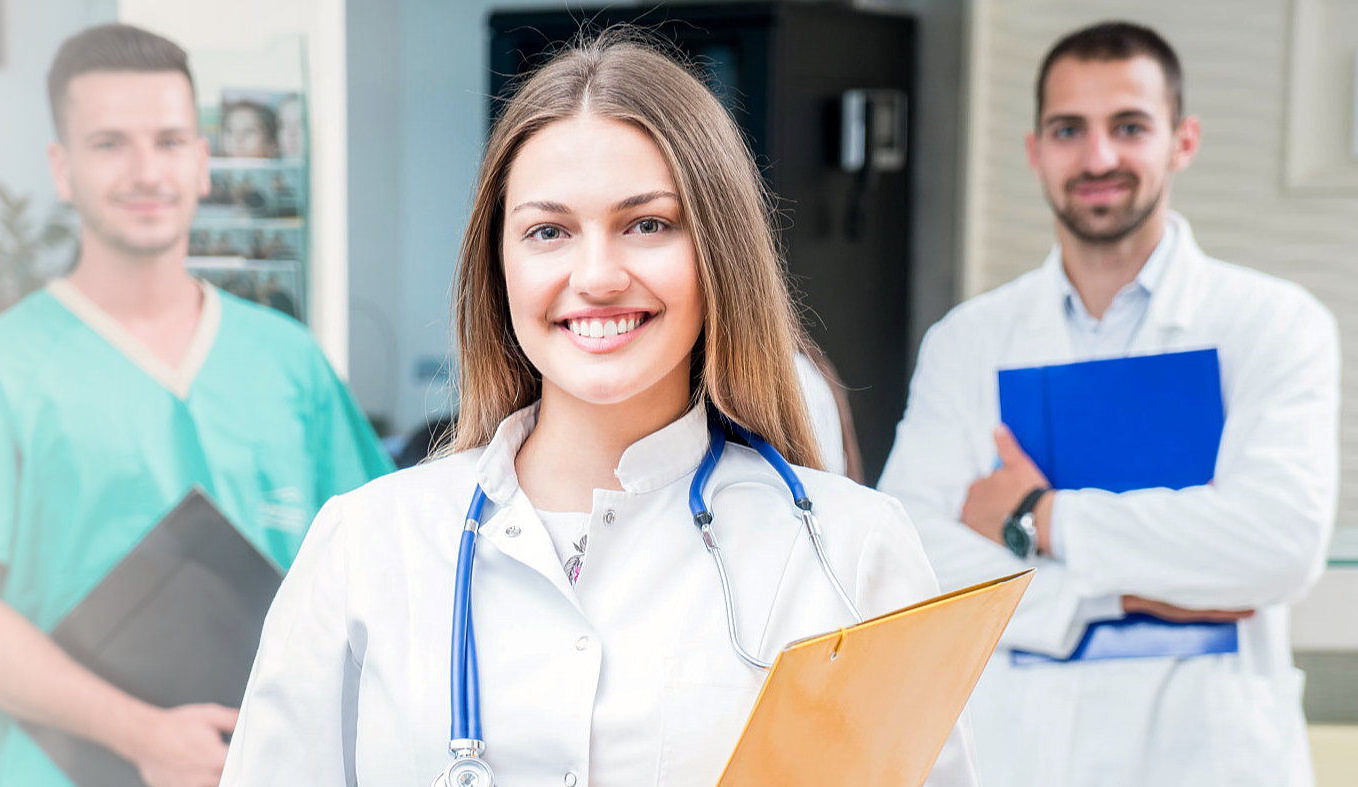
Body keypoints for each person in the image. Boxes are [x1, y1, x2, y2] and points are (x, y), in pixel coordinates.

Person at [218, 33, 975, 786]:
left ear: (720, 250)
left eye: (648, 224)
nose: (597, 275)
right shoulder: (369, 543)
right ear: (499, 266)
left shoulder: (849, 552)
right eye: (548, 232)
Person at [0, 23, 393, 787]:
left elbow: (371, 569)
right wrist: (143, 735)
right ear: (63, 169)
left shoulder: (289, 362)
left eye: (170, 141)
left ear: (204, 162)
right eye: (110, 144)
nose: (147, 171)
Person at [877, 21, 1337, 787]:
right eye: (1069, 130)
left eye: (1129, 126)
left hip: (1207, 757)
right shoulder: (968, 341)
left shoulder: (1274, 324)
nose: (1098, 158)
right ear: (1034, 151)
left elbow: (1277, 542)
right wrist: (1119, 591)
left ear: (1181, 141)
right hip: (1020, 755)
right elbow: (913, 563)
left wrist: (1033, 518)